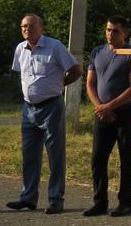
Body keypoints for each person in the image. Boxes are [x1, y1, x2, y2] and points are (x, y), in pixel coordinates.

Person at [7, 14, 82, 214]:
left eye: (31, 26)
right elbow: (23, 74)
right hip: (28, 108)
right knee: (29, 154)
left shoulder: (54, 46)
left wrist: (60, 84)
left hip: (51, 107)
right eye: (24, 26)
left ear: (41, 28)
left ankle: (55, 199)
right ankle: (28, 197)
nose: (27, 29)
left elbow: (76, 70)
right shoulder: (20, 49)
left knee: (55, 154)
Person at [83, 16, 131, 218]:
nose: (110, 34)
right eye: (108, 30)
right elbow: (90, 83)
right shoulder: (97, 52)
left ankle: (125, 202)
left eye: (115, 31)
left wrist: (110, 106)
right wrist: (100, 107)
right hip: (102, 114)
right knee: (98, 158)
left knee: (126, 157)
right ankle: (100, 202)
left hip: (126, 113)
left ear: (125, 33)